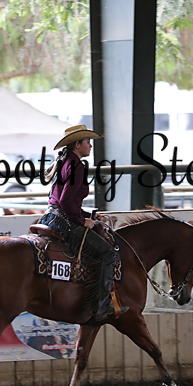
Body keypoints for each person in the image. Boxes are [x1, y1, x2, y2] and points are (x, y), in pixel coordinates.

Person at [38, 125, 126, 323]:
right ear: (77, 144)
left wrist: (89, 216)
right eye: (88, 142)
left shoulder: (64, 161)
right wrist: (81, 220)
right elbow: (66, 201)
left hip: (53, 216)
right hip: (65, 220)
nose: (90, 146)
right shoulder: (76, 165)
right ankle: (101, 306)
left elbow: (63, 201)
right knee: (108, 253)